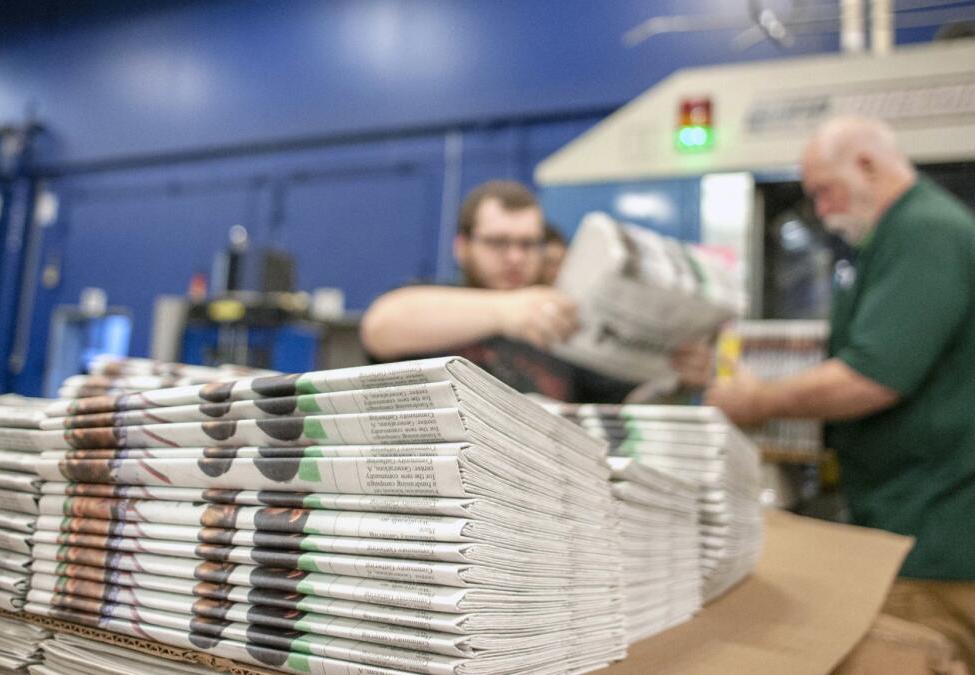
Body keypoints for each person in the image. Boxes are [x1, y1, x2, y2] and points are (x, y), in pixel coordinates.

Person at [705, 116, 975, 669]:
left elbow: (871, 376)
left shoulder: (925, 232)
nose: (822, 210)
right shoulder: (891, 239)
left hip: (933, 529)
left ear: (869, 165)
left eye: (825, 190)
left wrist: (759, 402)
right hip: (905, 512)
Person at [361, 180, 712, 401]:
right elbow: (380, 326)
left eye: (528, 244)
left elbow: (621, 408)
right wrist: (505, 312)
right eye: (498, 242)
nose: (515, 257)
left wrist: (674, 379)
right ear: (462, 246)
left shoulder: (561, 324)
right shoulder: (432, 302)